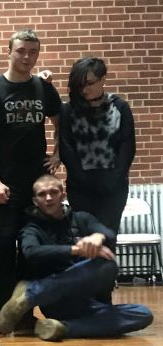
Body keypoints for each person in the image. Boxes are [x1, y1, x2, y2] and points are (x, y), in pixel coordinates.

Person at [0, 29, 62, 333]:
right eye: (21, 50)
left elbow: (61, 121)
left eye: (32, 52)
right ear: (9, 51)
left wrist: (57, 154)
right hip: (3, 185)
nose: (26, 57)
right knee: (3, 243)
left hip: (35, 186)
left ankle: (23, 310)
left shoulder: (43, 88)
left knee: (30, 246)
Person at [0, 174, 153, 341]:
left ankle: (61, 328)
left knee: (143, 314)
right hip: (52, 297)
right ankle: (29, 294)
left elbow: (108, 233)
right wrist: (75, 250)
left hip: (86, 301)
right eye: (42, 194)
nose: (48, 198)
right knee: (106, 266)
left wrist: (98, 237)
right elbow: (31, 251)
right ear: (35, 201)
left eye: (53, 192)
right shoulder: (32, 227)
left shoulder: (81, 218)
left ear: (63, 195)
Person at [59, 56, 135, 237]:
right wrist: (83, 180)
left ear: (103, 79)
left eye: (90, 83)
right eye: (80, 84)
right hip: (80, 188)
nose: (84, 90)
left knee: (107, 238)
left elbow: (127, 147)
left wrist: (114, 180)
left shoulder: (120, 107)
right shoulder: (69, 110)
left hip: (113, 188)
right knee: (86, 241)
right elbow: (66, 148)